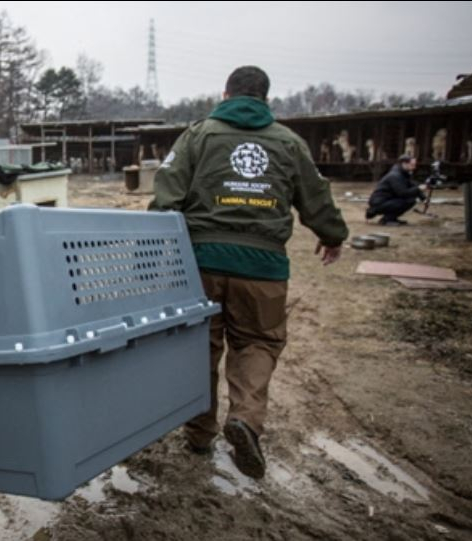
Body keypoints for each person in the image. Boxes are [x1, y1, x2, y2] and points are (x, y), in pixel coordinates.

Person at [149, 66, 348, 479]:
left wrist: (159, 251)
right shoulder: (289, 142)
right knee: (257, 342)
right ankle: (245, 419)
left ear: (226, 94)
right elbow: (316, 194)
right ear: (266, 99)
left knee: (199, 345)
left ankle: (199, 433)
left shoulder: (198, 135)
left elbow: (167, 191)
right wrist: (333, 235)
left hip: (200, 263)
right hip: (263, 268)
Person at [366, 155, 426, 225]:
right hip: (379, 202)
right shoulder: (395, 175)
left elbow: (412, 185)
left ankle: (392, 218)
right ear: (404, 164)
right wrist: (418, 188)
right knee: (409, 200)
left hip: (387, 200)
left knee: (410, 199)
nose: (414, 167)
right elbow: (402, 193)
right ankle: (386, 219)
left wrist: (423, 198)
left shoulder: (403, 173)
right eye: (412, 165)